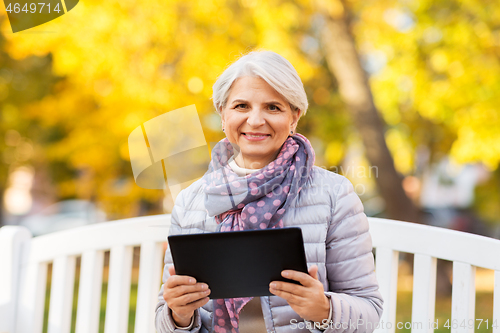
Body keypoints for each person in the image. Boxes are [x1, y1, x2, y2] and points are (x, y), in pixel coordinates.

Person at [155, 50, 383, 333]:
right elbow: (164, 318)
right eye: (241, 106)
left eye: (273, 107)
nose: (255, 120)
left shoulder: (334, 194)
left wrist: (323, 309)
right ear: (222, 114)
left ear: (294, 117)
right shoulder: (191, 201)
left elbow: (369, 311)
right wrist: (179, 315)